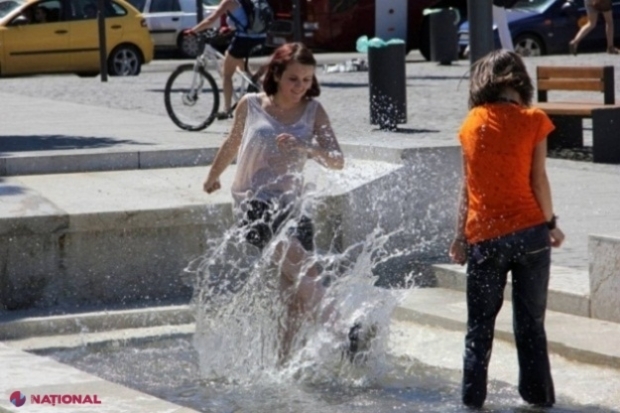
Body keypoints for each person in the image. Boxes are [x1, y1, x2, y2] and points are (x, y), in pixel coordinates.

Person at [202, 42, 346, 362]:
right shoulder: (251, 104)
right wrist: (214, 176)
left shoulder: (313, 111)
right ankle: (345, 332)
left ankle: (282, 365)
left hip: (293, 207)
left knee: (294, 296)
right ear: (277, 74)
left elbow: (337, 160)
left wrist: (307, 148)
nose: (301, 87)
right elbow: (232, 141)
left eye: (307, 80)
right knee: (306, 271)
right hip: (254, 206)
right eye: (294, 79)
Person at [449, 49, 565, 409]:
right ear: (522, 82)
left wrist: (458, 236)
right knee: (531, 325)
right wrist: (551, 224)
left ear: (481, 82)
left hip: (485, 238)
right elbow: (539, 180)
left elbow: (466, 186)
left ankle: (472, 401)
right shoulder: (534, 120)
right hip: (531, 234)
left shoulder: (471, 123)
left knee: (478, 328)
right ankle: (539, 399)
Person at [187, 0, 267, 119]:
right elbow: (246, 21)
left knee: (227, 74)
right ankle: (256, 82)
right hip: (260, 38)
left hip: (244, 40)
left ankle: (227, 109)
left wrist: (193, 31)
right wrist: (229, 29)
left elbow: (210, 20)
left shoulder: (228, 1)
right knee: (232, 58)